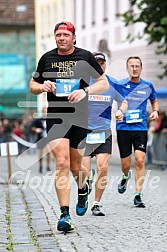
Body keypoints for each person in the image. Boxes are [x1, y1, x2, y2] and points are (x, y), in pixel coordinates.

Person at [29, 21, 109, 232]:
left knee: (76, 167)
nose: (61, 38)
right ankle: (64, 215)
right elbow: (32, 85)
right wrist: (41, 86)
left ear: (73, 37)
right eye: (58, 35)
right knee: (62, 163)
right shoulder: (47, 58)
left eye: (65, 35)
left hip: (80, 117)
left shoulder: (84, 56)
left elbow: (103, 83)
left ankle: (83, 189)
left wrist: (85, 92)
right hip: (56, 116)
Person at [81, 52, 127, 216]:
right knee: (83, 172)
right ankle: (87, 182)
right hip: (84, 131)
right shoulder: (83, 82)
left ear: (105, 65)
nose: (99, 66)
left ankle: (96, 203)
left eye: (102, 63)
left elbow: (123, 100)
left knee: (103, 167)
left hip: (103, 131)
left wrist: (121, 111)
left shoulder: (112, 83)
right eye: (96, 63)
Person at [116, 56, 159, 208]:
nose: (134, 68)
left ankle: (138, 194)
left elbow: (154, 99)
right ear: (127, 68)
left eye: (137, 66)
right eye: (131, 66)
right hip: (123, 128)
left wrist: (155, 111)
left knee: (140, 160)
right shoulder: (120, 85)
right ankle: (125, 175)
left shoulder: (147, 85)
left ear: (141, 68)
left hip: (140, 128)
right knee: (126, 164)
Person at [31, 107, 51, 173]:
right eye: (44, 111)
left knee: (48, 152)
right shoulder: (38, 120)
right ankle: (40, 166)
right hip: (40, 138)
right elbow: (32, 127)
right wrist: (37, 130)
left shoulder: (50, 119)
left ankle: (48, 166)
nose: (45, 112)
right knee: (40, 154)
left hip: (48, 139)